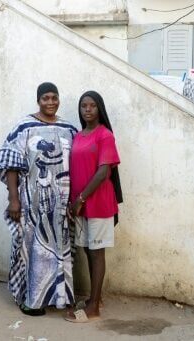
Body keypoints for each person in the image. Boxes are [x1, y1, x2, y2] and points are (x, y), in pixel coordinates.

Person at [0, 82, 77, 316]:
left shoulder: (69, 128)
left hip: (61, 206)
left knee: (61, 249)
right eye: (45, 98)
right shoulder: (24, 127)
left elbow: (78, 166)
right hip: (31, 204)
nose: (50, 102)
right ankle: (28, 299)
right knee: (29, 248)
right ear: (38, 100)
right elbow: (10, 165)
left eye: (54, 98)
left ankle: (60, 297)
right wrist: (13, 199)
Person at [65, 90, 123, 323]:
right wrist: (74, 201)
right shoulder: (79, 136)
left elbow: (103, 172)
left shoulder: (104, 135)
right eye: (83, 106)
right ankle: (93, 299)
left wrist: (81, 199)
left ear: (100, 108)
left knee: (97, 252)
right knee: (88, 250)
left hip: (97, 203)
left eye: (92, 105)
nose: (87, 109)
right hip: (80, 204)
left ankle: (94, 308)